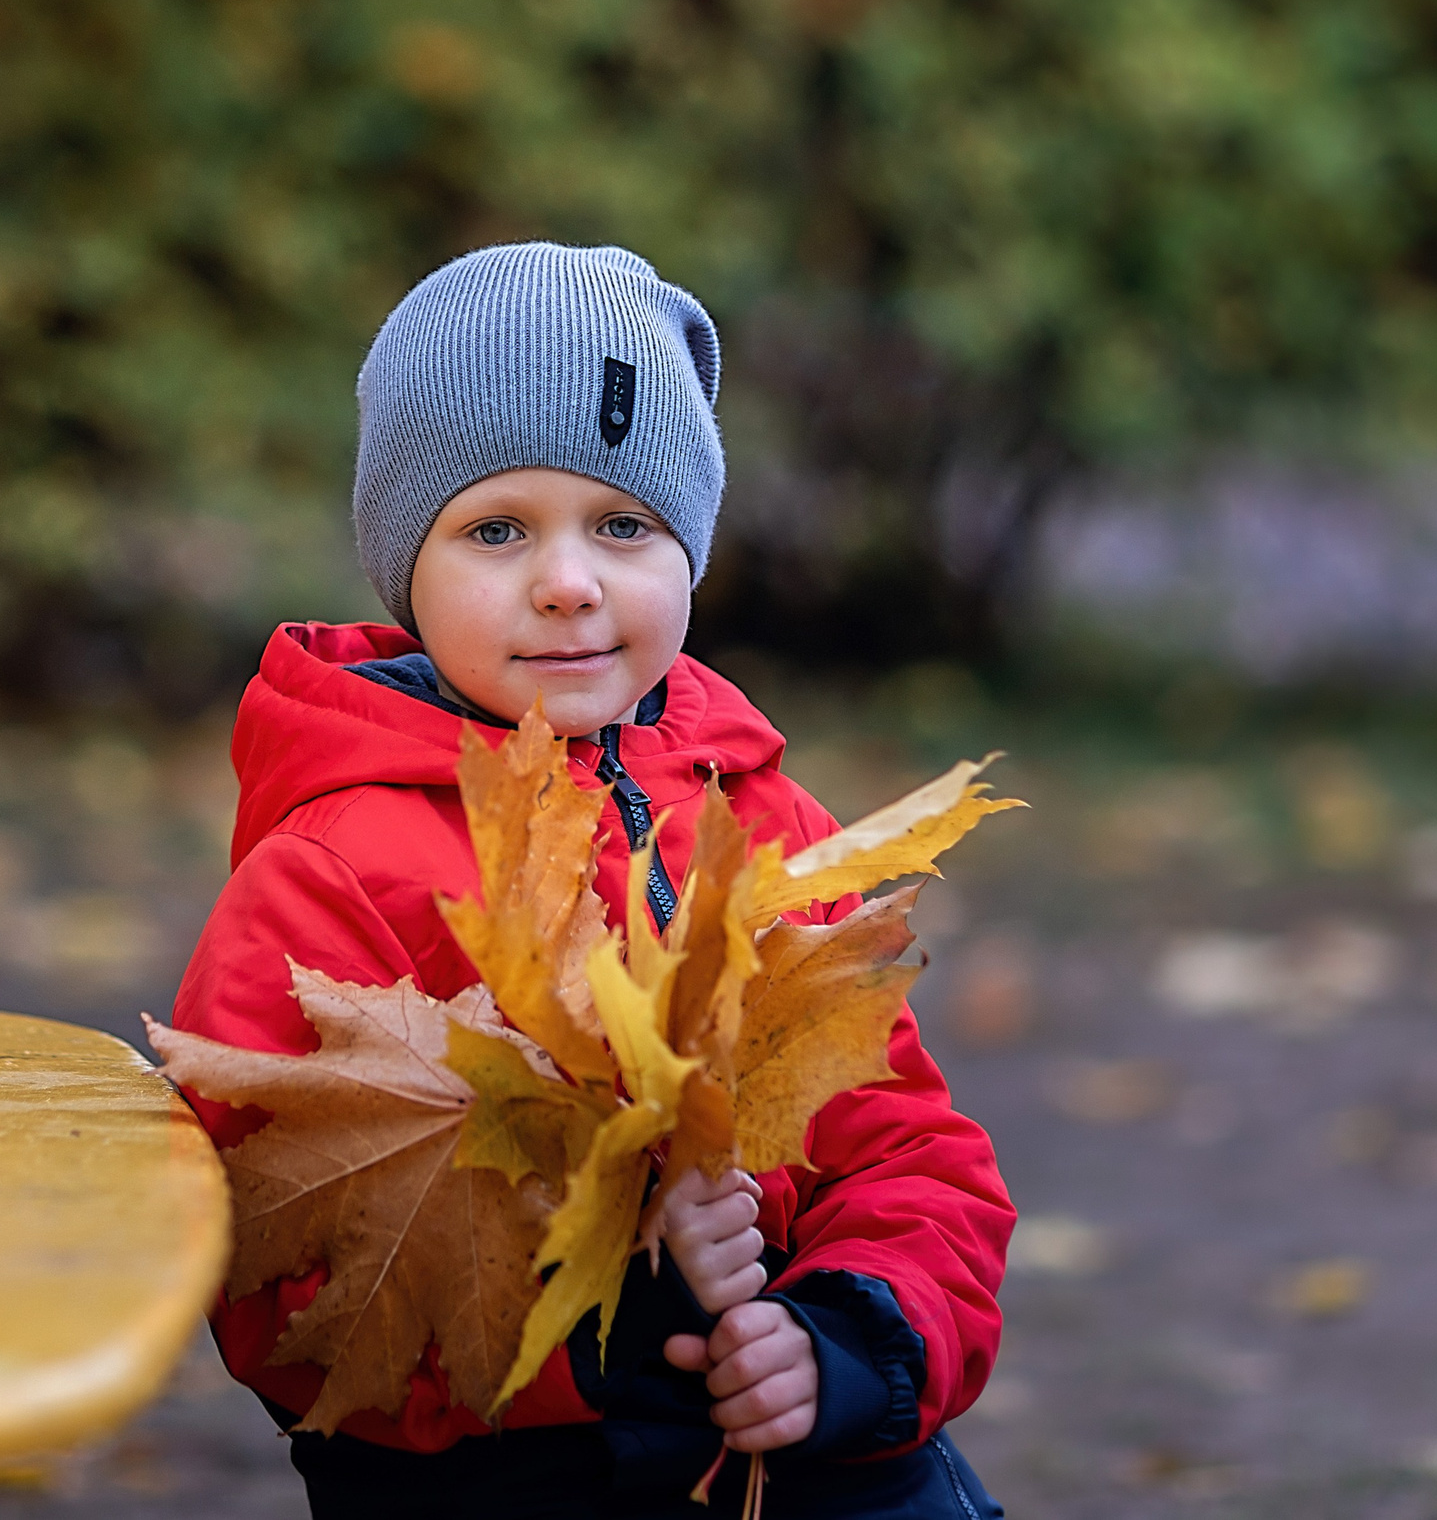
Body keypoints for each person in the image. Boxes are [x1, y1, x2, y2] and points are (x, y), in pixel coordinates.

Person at [169, 242, 1013, 1517]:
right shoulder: (331, 870)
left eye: (623, 526)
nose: (567, 584)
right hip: (518, 1469)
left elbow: (902, 1146)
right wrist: (614, 1269)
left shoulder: (763, 826)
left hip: (793, 1444)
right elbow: (281, 1269)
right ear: (405, 566)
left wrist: (844, 1344)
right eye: (496, 529)